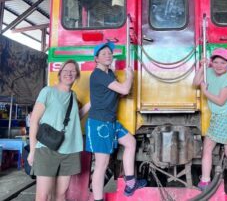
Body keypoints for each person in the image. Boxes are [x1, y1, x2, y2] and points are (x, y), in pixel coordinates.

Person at [85, 41, 146, 201]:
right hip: (100, 123)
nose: (108, 55)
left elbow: (116, 93)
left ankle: (131, 183)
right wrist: (130, 76)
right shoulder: (98, 74)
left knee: (131, 143)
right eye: (103, 53)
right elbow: (124, 89)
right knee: (101, 164)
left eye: (110, 53)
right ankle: (98, 199)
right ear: (96, 59)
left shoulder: (108, 74)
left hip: (110, 122)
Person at [193, 47, 227, 199]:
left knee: (207, 149)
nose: (218, 65)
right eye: (215, 62)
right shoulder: (209, 71)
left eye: (223, 62)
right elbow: (196, 82)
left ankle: (204, 181)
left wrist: (205, 92)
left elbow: (221, 101)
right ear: (212, 62)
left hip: (225, 118)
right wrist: (201, 66)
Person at [27, 59, 83, 201]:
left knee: (61, 194)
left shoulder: (73, 96)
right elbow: (34, 121)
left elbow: (74, 118)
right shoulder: (48, 92)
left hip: (69, 151)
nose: (69, 73)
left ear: (76, 75)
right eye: (65, 70)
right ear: (59, 73)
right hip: (46, 150)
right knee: (43, 196)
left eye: (72, 71)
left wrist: (93, 103)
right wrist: (32, 151)